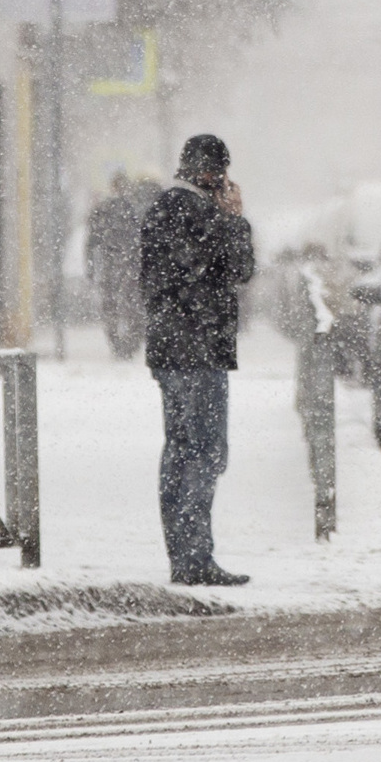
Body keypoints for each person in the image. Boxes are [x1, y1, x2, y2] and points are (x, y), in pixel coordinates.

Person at [139, 133, 257, 586]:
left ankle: (185, 555)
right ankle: (194, 558)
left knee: (180, 450)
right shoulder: (198, 213)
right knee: (204, 452)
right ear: (214, 173)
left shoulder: (161, 209)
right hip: (199, 350)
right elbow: (237, 269)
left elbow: (165, 278)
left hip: (172, 349)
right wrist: (235, 220)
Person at [86, 171, 153, 359]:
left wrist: (91, 266)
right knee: (133, 304)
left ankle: (118, 344)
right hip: (132, 264)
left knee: (113, 305)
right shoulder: (137, 208)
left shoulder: (104, 209)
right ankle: (128, 344)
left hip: (114, 263)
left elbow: (92, 240)